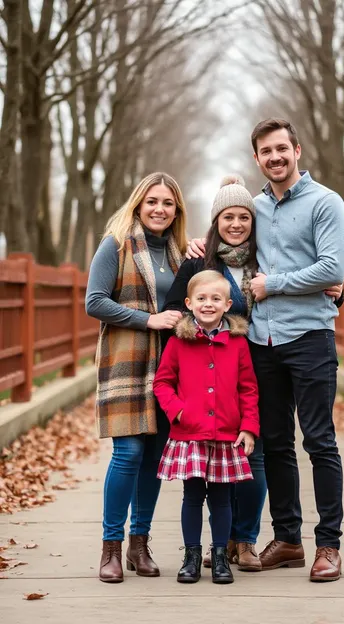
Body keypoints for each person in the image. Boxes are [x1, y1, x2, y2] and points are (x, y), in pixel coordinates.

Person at [186, 118, 344, 582]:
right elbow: (229, 237)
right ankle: (288, 539)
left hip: (310, 337)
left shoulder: (326, 203)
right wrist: (201, 244)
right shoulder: (253, 206)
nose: (275, 157)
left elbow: (332, 267)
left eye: (282, 148)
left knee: (320, 441)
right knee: (276, 444)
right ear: (256, 158)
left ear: (297, 150)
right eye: (266, 152)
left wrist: (273, 284)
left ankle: (329, 546)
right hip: (261, 342)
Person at [162, 174, 267, 572]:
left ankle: (243, 541)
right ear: (215, 221)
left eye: (244, 217)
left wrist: (335, 287)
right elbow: (176, 310)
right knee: (197, 491)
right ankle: (201, 551)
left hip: (255, 358)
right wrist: (180, 407)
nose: (236, 224)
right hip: (201, 373)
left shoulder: (266, 255)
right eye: (227, 217)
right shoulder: (199, 258)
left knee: (254, 459)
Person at [86, 172, 186, 583]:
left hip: (171, 368)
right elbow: (95, 301)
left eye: (167, 203)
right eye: (152, 202)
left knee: (155, 458)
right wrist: (150, 320)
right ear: (138, 205)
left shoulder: (181, 254)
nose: (159, 209)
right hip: (126, 362)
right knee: (127, 453)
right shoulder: (116, 244)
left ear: (176, 210)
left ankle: (138, 545)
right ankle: (110, 548)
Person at [154, 270, 260, 585]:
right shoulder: (178, 341)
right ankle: (191, 555)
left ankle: (219, 557)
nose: (208, 304)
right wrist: (179, 412)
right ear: (189, 303)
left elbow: (249, 388)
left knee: (222, 499)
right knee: (192, 496)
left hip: (227, 434)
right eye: (201, 298)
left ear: (228, 304)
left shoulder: (238, 343)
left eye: (216, 299)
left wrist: (249, 426)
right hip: (190, 434)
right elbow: (162, 383)